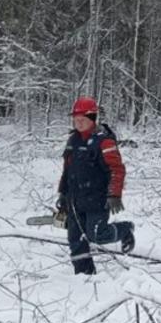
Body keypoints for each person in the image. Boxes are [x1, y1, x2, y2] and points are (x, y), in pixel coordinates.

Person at [56, 96, 135, 275]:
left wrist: (114, 194)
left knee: (97, 234)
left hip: (97, 200)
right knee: (75, 239)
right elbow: (67, 170)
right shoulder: (73, 140)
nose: (78, 123)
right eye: (76, 119)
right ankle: (84, 275)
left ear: (93, 118)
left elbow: (117, 169)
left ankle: (125, 230)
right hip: (75, 200)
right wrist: (62, 193)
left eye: (82, 119)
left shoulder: (104, 141)